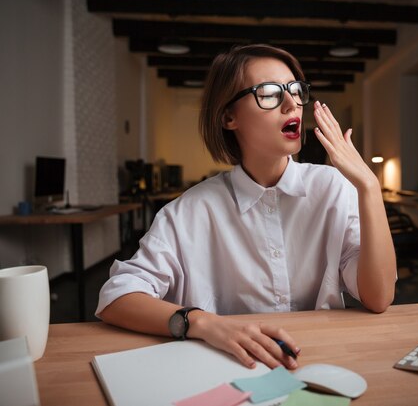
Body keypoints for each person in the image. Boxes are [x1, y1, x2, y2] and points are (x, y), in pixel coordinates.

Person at [97, 44, 396, 371]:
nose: (290, 104)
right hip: (230, 366)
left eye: (296, 90)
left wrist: (368, 187)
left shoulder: (333, 188)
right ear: (228, 117)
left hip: (322, 361)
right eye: (268, 93)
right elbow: (116, 298)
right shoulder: (189, 212)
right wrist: (203, 323)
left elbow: (378, 297)